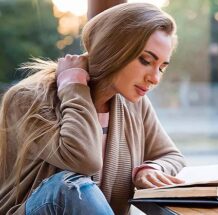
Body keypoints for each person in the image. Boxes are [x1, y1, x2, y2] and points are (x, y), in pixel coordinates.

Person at [0, 3, 186, 215]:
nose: (154, 78)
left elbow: (171, 155)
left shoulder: (135, 104)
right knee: (68, 187)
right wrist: (74, 87)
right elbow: (85, 161)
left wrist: (151, 169)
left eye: (161, 67)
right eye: (145, 60)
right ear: (115, 49)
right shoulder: (28, 99)